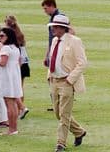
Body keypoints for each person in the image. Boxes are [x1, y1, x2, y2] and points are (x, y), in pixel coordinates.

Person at [44, 10, 88, 151]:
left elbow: (82, 63)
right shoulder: (55, 41)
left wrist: (70, 79)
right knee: (58, 113)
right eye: (53, 27)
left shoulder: (75, 41)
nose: (53, 29)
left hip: (67, 82)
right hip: (55, 81)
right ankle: (79, 132)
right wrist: (49, 76)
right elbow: (54, 59)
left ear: (63, 28)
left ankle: (60, 143)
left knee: (64, 115)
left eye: (55, 27)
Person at [0, 27, 23, 134]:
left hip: (6, 78)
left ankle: (12, 129)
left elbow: (3, 62)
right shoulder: (16, 48)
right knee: (12, 103)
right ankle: (14, 128)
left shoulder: (6, 48)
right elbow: (19, 62)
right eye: (0, 36)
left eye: (2, 36)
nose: (0, 38)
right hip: (14, 76)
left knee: (9, 104)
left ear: (9, 36)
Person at [4, 16, 31, 121]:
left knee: (14, 87)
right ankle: (20, 108)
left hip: (17, 63)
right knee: (20, 87)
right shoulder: (20, 34)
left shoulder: (12, 36)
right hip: (24, 63)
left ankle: (19, 108)